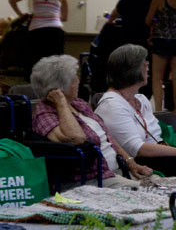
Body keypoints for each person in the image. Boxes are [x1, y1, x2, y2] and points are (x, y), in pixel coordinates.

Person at [30, 55, 150, 189]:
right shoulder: (45, 114)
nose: (79, 81)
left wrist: (131, 163)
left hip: (115, 171)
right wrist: (61, 102)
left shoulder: (78, 103)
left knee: (165, 185)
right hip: (92, 180)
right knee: (155, 194)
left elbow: (107, 136)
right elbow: (77, 138)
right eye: (74, 79)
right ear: (59, 88)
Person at [95, 44, 176, 177]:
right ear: (131, 71)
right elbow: (138, 149)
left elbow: (155, 137)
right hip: (140, 160)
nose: (148, 67)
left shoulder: (140, 99)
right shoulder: (112, 105)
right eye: (144, 64)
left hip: (157, 153)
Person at [8, 0, 69, 80]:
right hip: (55, 32)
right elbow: (65, 17)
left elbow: (12, 0)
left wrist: (22, 14)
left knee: (35, 62)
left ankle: (33, 90)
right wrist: (52, 16)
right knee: (55, 64)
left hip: (36, 31)